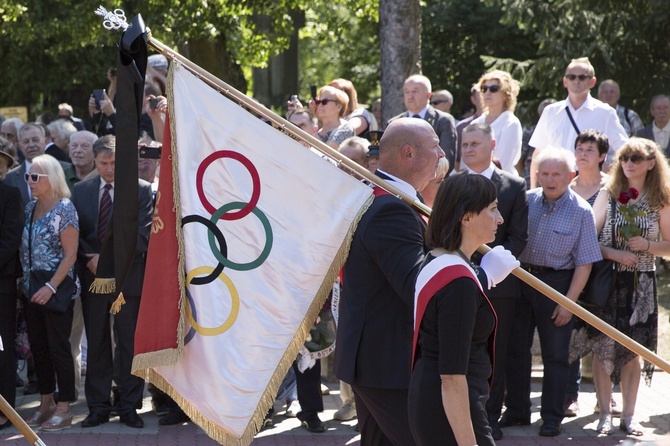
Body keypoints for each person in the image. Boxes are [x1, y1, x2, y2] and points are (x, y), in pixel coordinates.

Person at [334, 117, 445, 445]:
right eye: (435, 145)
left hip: (379, 360)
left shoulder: (389, 197)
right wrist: (475, 270)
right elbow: (417, 285)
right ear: (409, 154)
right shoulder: (390, 208)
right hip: (386, 362)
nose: (442, 153)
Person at [572, 137, 670, 436]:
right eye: (625, 158)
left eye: (636, 158)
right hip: (609, 281)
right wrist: (614, 252)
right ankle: (604, 413)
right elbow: (589, 237)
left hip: (642, 283)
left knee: (632, 352)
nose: (629, 163)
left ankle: (629, 416)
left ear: (651, 163)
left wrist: (649, 245)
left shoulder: (660, 198)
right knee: (603, 349)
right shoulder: (609, 193)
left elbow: (669, 246)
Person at [502, 149, 601, 437]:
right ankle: (517, 411)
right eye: (544, 173)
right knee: (515, 350)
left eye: (556, 173)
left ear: (571, 176)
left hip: (557, 284)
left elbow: (585, 263)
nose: (549, 179)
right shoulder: (526, 201)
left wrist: (568, 303)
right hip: (521, 280)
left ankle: (551, 418)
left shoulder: (582, 211)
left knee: (556, 355)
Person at [409, 173, 513, 446]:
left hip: (442, 398)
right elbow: (452, 377)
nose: (499, 218)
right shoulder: (458, 281)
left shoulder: (439, 258)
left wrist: (482, 275)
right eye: (492, 209)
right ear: (466, 217)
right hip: (452, 405)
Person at [72, 135, 153, 429]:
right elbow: (75, 232)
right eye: (104, 163)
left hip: (127, 279)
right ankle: (97, 406)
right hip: (92, 277)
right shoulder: (80, 191)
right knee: (97, 344)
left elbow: (142, 235)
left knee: (128, 343)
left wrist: (107, 261)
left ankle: (129, 405)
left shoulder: (141, 191)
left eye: (115, 163)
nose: (109, 168)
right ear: (95, 161)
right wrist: (88, 257)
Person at [460, 123, 528, 440]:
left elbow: (517, 237)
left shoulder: (513, 186)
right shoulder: (453, 185)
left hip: (502, 286)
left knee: (495, 352)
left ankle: (489, 417)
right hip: (460, 280)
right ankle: (464, 413)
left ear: (492, 144)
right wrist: (470, 267)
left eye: (475, 143)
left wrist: (492, 266)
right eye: (465, 143)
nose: (469, 148)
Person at [20, 154, 80, 431]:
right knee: (39, 349)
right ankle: (45, 403)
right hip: (32, 287)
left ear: (51, 179)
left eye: (35, 177)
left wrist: (50, 286)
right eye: (28, 176)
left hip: (55, 288)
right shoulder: (30, 207)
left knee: (58, 348)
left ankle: (65, 407)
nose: (30, 182)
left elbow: (70, 255)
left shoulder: (64, 208)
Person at [563, 129, 611, 417]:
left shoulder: (615, 187)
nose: (582, 153)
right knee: (571, 336)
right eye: (579, 148)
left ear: (602, 156)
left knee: (603, 336)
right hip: (570, 269)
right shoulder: (564, 184)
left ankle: (605, 397)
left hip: (603, 271)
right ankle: (571, 395)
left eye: (589, 149)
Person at [528, 57, 629, 187]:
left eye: (582, 77)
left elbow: (624, 150)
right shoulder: (551, 111)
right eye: (571, 77)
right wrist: (532, 189)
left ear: (592, 82)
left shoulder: (605, 112)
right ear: (565, 81)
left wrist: (613, 175)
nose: (576, 81)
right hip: (553, 181)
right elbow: (538, 152)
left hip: (589, 183)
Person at [388, 74, 457, 175]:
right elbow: (390, 159)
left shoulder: (443, 120)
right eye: (407, 92)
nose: (410, 96)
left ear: (428, 95)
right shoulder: (393, 124)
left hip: (433, 181)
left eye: (415, 91)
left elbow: (446, 160)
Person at [0, 149, 23, 430]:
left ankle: (5, 411)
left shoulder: (10, 196)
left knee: (2, 349)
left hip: (1, 286)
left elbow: (9, 241)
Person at [471, 70, 523, 175]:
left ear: (506, 94)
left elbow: (502, 162)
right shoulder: (476, 123)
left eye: (494, 89)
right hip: (475, 180)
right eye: (484, 89)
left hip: (501, 181)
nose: (487, 93)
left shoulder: (511, 123)